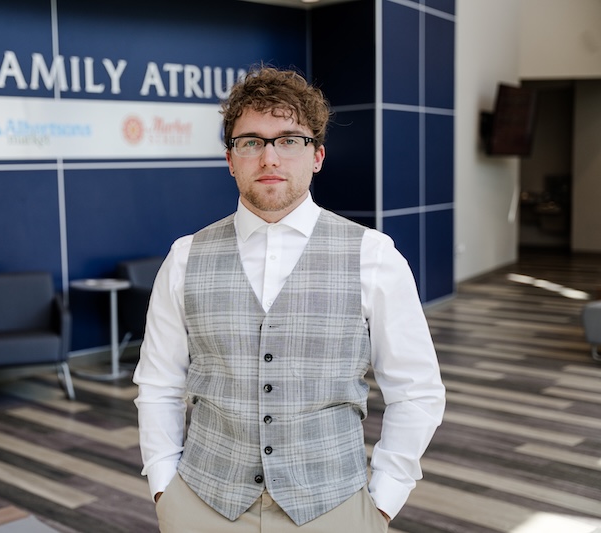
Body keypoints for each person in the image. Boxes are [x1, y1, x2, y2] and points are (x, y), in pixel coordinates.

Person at [133, 65, 446, 532]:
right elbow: (159, 385)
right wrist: (164, 488)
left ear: (316, 155)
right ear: (230, 158)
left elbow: (417, 391)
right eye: (251, 142)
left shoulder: (373, 256)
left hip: (334, 507)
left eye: (288, 140)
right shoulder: (184, 258)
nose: (270, 158)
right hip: (202, 503)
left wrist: (380, 503)